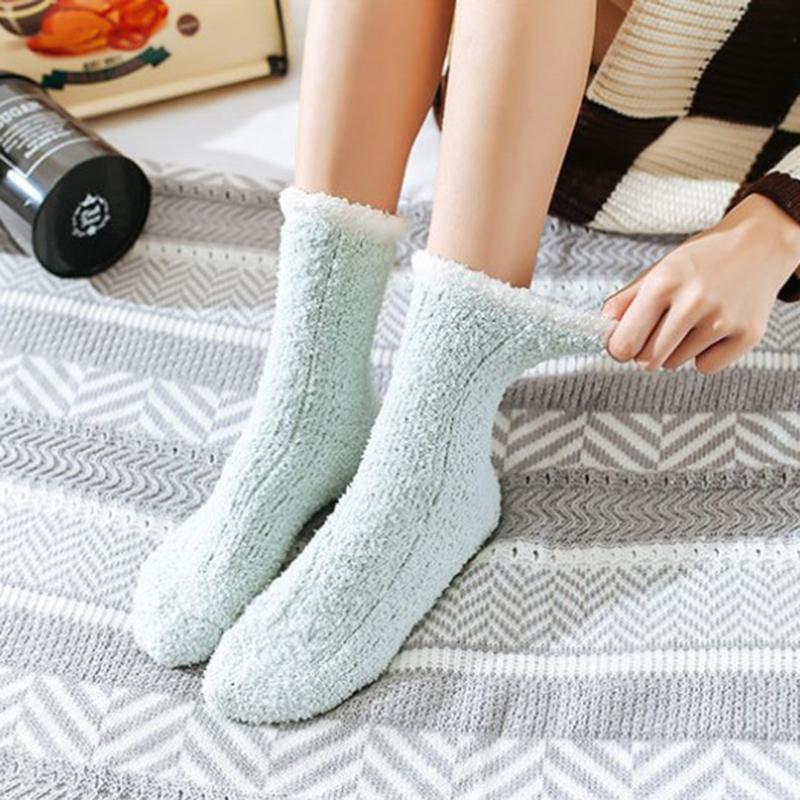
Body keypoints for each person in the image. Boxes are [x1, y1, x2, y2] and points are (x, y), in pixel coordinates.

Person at [130, 0, 800, 724]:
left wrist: (772, 229)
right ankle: (309, 400)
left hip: (729, 133)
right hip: (535, 96)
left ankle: (430, 461)